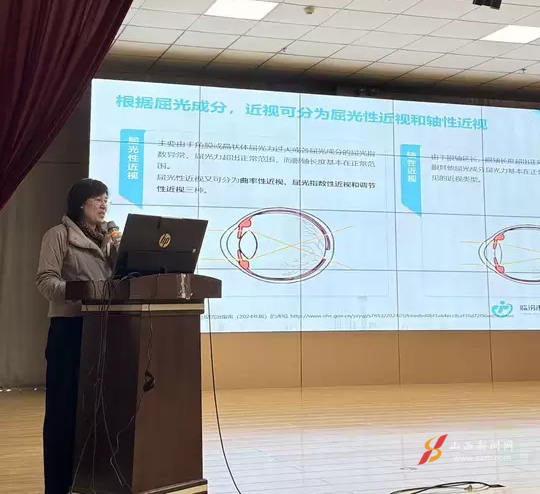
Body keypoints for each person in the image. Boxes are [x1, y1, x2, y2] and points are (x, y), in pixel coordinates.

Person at [36, 178, 121, 494]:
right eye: (97, 198)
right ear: (80, 203)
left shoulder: (109, 241)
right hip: (69, 332)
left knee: (97, 413)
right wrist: (81, 292)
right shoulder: (58, 235)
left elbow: (122, 280)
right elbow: (45, 281)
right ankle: (58, 486)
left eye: (106, 199)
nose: (103, 204)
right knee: (63, 413)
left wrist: (119, 251)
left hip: (102, 331)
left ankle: (91, 481)